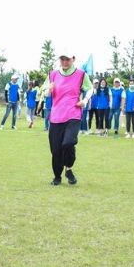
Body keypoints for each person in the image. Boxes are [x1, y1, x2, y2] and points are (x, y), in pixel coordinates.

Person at [42, 50, 93, 185]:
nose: (64, 62)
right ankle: (57, 177)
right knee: (56, 149)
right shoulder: (53, 74)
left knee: (68, 142)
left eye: (67, 59)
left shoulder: (81, 74)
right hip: (56, 116)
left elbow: (90, 88)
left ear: (73, 59)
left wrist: (85, 100)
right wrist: (49, 90)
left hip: (73, 113)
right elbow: (45, 93)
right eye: (62, 59)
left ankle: (68, 167)